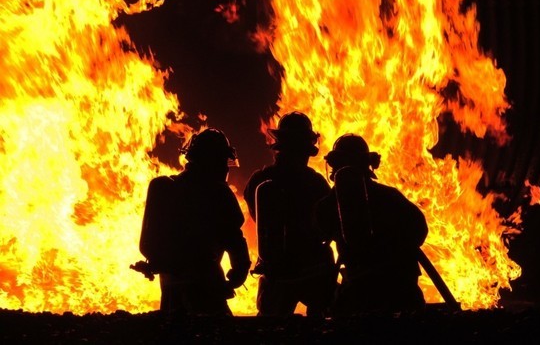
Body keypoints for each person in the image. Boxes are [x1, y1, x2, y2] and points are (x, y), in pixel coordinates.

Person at [137, 128, 251, 316]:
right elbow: (234, 240)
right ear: (215, 162)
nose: (225, 168)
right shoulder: (220, 194)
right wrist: (238, 272)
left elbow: (149, 245)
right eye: (223, 162)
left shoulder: (164, 188)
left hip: (170, 283)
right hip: (206, 285)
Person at [317, 133, 428, 315]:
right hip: (402, 289)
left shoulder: (327, 205)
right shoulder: (392, 196)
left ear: (334, 166)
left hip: (360, 292)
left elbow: (319, 235)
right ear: (368, 165)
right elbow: (419, 230)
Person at [243, 111, 336, 317]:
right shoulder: (317, 183)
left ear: (278, 146)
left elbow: (257, 217)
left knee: (268, 330)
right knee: (324, 325)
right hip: (313, 270)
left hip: (275, 272)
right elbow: (330, 225)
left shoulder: (260, 179)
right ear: (307, 149)